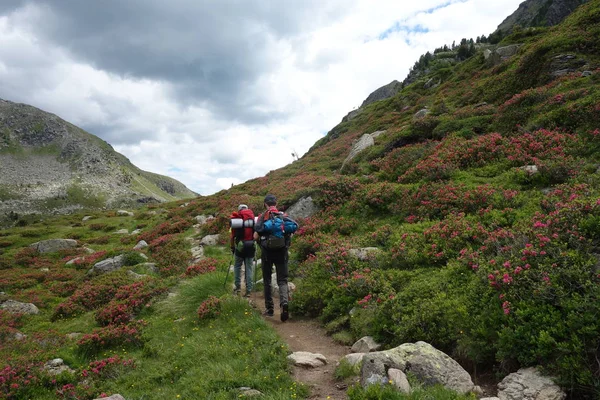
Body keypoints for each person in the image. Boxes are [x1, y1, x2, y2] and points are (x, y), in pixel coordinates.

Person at [254, 194, 298, 322]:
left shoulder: (263, 217)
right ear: (276, 203)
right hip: (282, 252)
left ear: (265, 204)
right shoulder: (283, 216)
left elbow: (256, 235)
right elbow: (294, 227)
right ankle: (284, 303)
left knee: (267, 280)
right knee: (282, 280)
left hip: (267, 253)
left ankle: (270, 309)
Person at [230, 204, 256, 297]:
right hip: (251, 246)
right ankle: (249, 290)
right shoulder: (253, 218)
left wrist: (232, 247)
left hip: (240, 247)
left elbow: (232, 236)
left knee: (237, 266)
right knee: (249, 268)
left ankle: (238, 288)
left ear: (239, 210)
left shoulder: (237, 219)